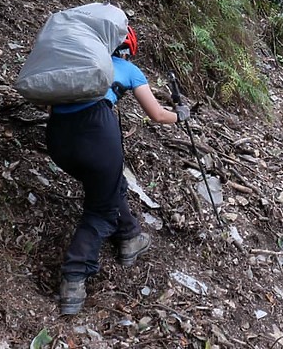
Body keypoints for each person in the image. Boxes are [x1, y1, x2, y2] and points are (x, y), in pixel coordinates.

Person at [45, 25, 190, 315]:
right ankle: (73, 278)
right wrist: (181, 116)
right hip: (96, 132)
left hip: (57, 139)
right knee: (100, 209)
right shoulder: (128, 69)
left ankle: (129, 237)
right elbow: (157, 114)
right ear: (127, 50)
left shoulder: (78, 66)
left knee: (109, 186)